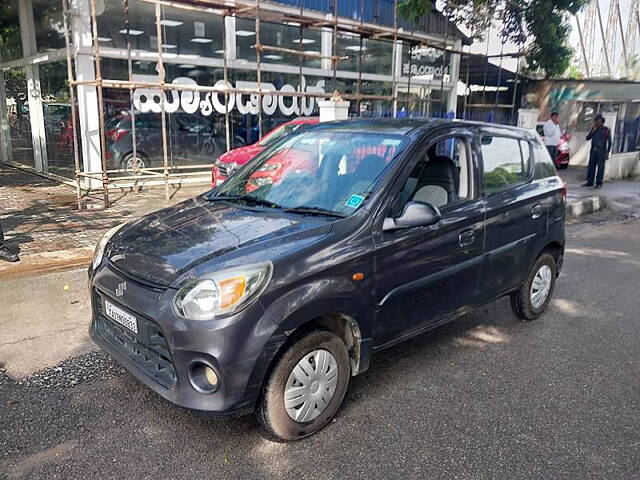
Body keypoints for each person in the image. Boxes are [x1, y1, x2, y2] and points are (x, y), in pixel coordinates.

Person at [583, 114, 612, 189]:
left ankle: (599, 183)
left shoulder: (606, 130)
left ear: (602, 122)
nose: (596, 123)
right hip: (593, 150)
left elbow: (610, 142)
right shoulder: (594, 129)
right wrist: (593, 130)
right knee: (591, 166)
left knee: (600, 168)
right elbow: (588, 138)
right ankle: (590, 181)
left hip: (601, 150)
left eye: (598, 121)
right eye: (596, 121)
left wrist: (608, 152)